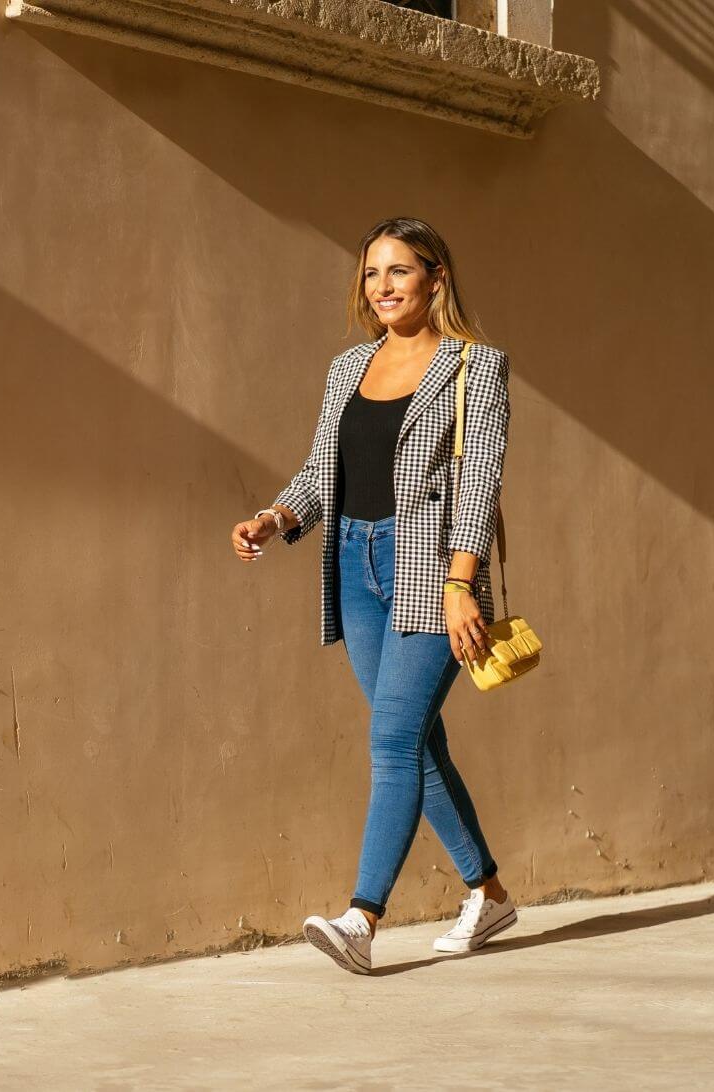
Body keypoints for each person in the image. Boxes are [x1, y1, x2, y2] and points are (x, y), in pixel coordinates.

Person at [229, 217, 517, 975]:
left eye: (398, 271)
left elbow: (481, 481)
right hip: (354, 563)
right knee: (415, 742)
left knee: (391, 742)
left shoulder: (473, 367)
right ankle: (488, 895)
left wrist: (462, 583)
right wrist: (277, 515)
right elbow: (326, 468)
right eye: (370, 274)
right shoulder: (347, 365)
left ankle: (361, 917)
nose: (382, 287)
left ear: (436, 277)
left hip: (430, 574)